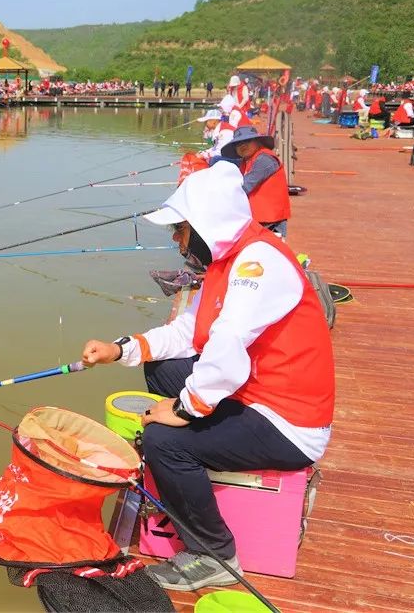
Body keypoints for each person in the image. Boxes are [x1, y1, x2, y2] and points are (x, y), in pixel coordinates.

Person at [80, 162, 334, 592]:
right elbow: (188, 334)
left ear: (205, 226)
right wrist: (121, 349)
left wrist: (182, 410)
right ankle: (195, 461)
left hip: (290, 422)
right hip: (256, 393)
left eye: (180, 231)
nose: (178, 242)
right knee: (162, 367)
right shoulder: (227, 260)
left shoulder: (258, 265)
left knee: (165, 440)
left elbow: (227, 351)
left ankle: (212, 553)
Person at [221, 126, 290, 237]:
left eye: (247, 141)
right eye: (238, 144)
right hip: (256, 218)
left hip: (270, 221)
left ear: (257, 142)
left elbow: (244, 187)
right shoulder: (245, 161)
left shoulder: (264, 159)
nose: (242, 145)